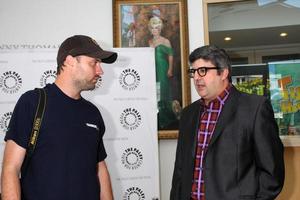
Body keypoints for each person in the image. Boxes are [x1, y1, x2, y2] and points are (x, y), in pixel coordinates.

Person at [1, 35, 117, 200]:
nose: (100, 71)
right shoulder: (33, 103)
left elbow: (100, 167)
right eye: (94, 63)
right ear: (70, 61)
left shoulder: (93, 113)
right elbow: (10, 168)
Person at [170, 45, 285, 200]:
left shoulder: (255, 109)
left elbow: (272, 173)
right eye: (193, 72)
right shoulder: (188, 114)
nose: (196, 78)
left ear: (223, 72)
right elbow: (180, 170)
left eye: (202, 70)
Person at [148, 16, 178, 129]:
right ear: (150, 29)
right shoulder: (150, 41)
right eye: (152, 28)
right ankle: (157, 117)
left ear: (160, 29)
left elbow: (170, 55)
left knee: (163, 90)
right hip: (152, 68)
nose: (155, 30)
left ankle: (166, 118)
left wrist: (170, 69)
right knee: (155, 91)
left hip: (162, 67)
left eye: (157, 28)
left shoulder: (165, 41)